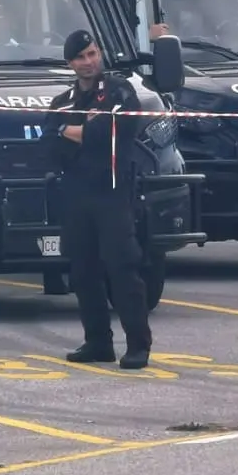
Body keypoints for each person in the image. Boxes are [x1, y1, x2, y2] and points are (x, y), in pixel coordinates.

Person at [47, 29, 153, 369]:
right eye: (80, 57)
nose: (88, 61)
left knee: (122, 269)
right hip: (76, 196)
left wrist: (70, 130)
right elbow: (49, 141)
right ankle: (98, 342)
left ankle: (137, 345)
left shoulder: (120, 91)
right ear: (70, 63)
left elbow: (114, 132)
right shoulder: (63, 101)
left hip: (113, 194)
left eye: (92, 54)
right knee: (82, 272)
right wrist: (79, 130)